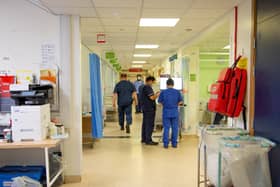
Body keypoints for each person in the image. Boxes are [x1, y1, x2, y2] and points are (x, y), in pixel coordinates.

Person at [158, 78, 183, 148]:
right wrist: (175, 104)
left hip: (166, 112)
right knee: (175, 128)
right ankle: (174, 144)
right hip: (175, 112)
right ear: (173, 84)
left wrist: (164, 105)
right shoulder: (177, 92)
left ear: (166, 84)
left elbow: (159, 103)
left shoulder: (163, 92)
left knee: (166, 128)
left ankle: (166, 144)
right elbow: (181, 101)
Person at [141, 76, 160, 145]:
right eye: (153, 82)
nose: (153, 83)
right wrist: (157, 94)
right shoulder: (148, 87)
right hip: (149, 109)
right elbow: (152, 98)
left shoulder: (144, 87)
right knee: (149, 124)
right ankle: (148, 140)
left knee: (145, 124)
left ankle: (144, 139)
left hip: (146, 108)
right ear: (150, 81)